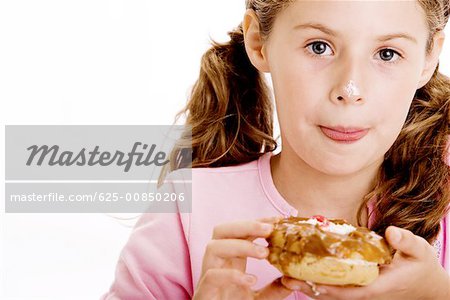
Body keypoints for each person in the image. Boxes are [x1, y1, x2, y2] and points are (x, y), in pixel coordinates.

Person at [102, 0, 450, 299]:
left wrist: (437, 292)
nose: (349, 89)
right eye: (319, 46)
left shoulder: (445, 208)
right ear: (258, 42)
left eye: (387, 54)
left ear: (428, 56)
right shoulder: (188, 207)